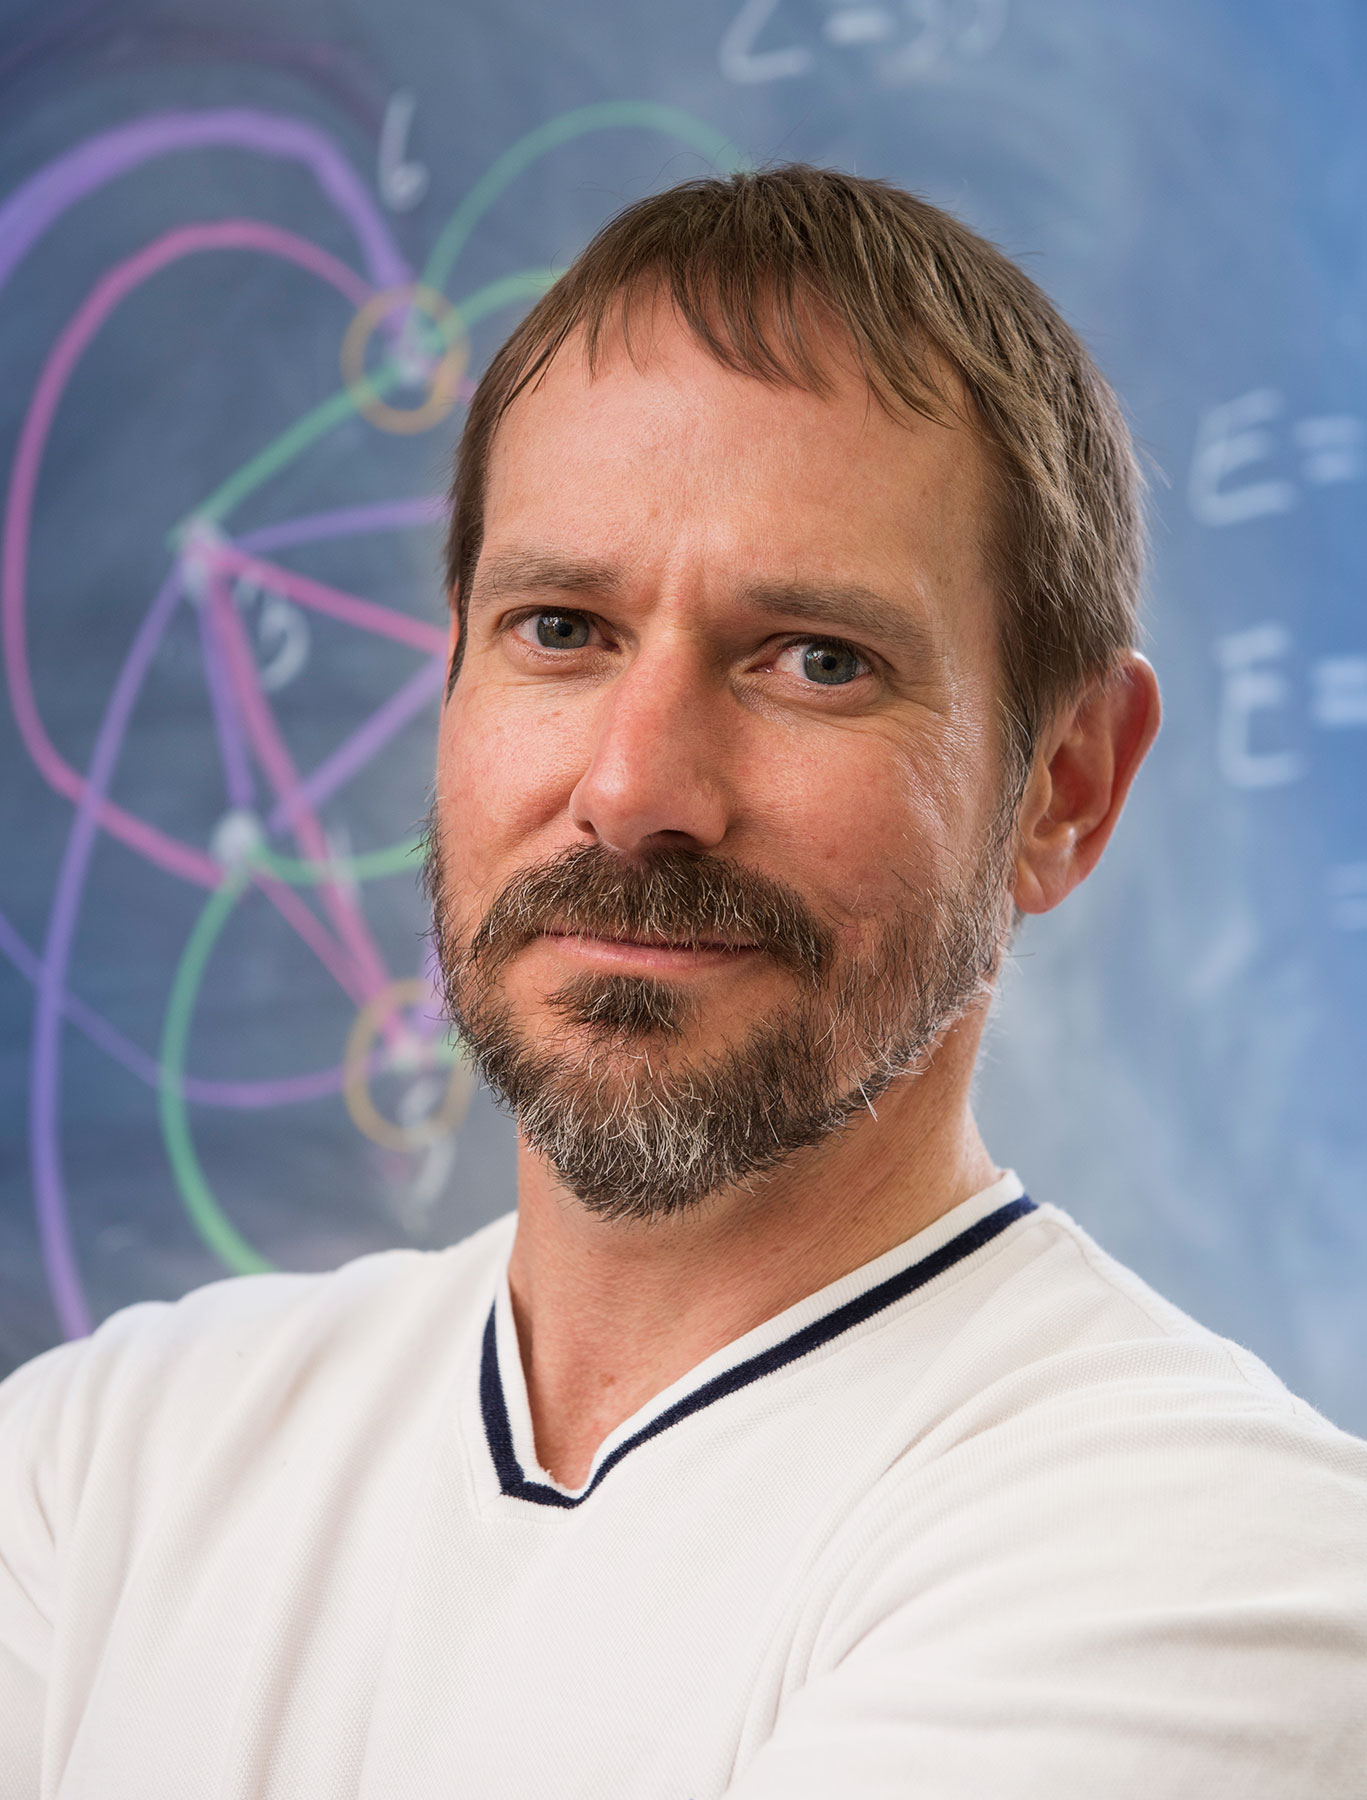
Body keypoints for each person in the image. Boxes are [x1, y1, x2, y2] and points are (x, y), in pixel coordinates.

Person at [1, 165, 1364, 1800]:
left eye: (814, 659)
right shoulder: (103, 1462)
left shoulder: (1221, 1558)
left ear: (1063, 785)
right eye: (561, 629)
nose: (637, 786)